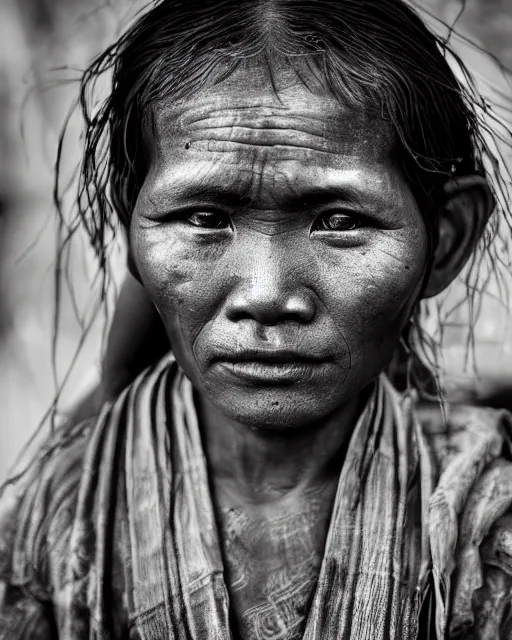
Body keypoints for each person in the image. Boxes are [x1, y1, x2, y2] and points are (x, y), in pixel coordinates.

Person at [2, 0, 512, 638]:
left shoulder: (487, 533)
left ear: (447, 236)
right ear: (131, 232)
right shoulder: (56, 520)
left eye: (340, 220)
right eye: (204, 217)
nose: (267, 295)